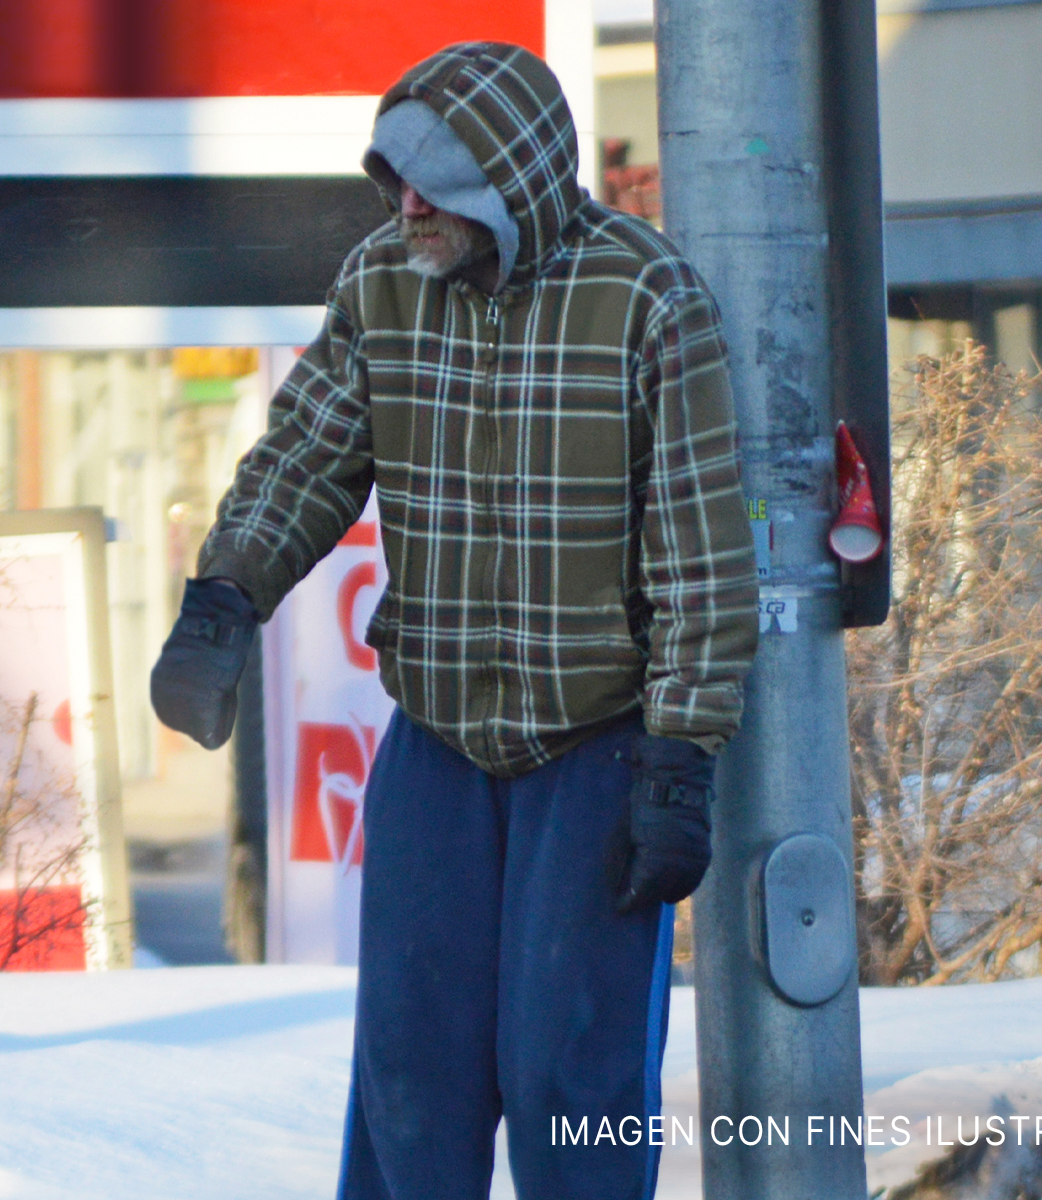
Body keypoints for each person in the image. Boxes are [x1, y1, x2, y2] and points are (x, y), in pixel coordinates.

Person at [148, 41, 759, 1200]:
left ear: (515, 178)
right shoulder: (384, 279)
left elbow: (699, 552)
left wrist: (681, 756)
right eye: (398, 179)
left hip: (597, 749)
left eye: (436, 184)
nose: (409, 206)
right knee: (409, 1077)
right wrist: (225, 597)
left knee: (564, 1079)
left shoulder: (645, 299)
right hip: (435, 741)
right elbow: (308, 456)